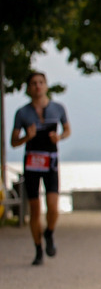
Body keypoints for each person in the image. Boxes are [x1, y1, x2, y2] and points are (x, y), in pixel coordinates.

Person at [11, 71, 71, 266]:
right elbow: (13, 142)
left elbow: (67, 129)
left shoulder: (58, 108)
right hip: (31, 164)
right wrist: (27, 137)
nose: (38, 86)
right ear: (29, 89)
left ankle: (49, 232)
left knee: (53, 207)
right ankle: (38, 249)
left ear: (46, 86)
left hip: (50, 162)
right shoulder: (22, 113)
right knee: (35, 210)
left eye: (41, 83)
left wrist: (59, 137)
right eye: (34, 83)